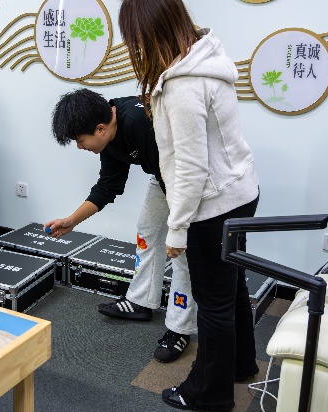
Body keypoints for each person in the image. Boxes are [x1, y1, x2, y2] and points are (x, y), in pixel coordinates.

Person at [118, 0, 261, 410]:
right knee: (231, 288)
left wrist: (177, 229)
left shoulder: (182, 85)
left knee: (212, 303)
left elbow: (191, 168)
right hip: (241, 192)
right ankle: (241, 364)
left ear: (151, 31)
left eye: (135, 37)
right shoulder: (208, 58)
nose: (135, 47)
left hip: (213, 206)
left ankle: (208, 393)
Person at [44, 88, 197, 363]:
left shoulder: (140, 124)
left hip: (190, 179)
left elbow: (178, 179)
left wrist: (179, 229)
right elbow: (108, 186)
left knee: (182, 251)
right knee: (147, 232)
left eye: (80, 141)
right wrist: (71, 221)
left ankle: (180, 328)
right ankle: (141, 301)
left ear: (100, 129)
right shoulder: (109, 132)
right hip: (164, 174)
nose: (80, 147)